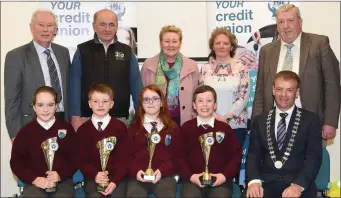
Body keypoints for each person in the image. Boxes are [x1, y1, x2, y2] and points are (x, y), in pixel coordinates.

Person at [252, 4, 340, 142]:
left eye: (290, 21)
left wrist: (330, 121)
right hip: (274, 125)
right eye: (281, 22)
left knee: (310, 163)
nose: (285, 26)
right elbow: (260, 92)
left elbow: (332, 85)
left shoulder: (319, 44)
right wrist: (256, 124)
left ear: (300, 22)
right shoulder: (266, 51)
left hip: (311, 124)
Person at [243, 71, 322, 198]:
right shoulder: (260, 120)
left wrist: (298, 185)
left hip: (298, 185)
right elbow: (254, 155)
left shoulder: (311, 120)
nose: (283, 95)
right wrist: (253, 181)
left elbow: (313, 158)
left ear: (297, 92)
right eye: (279, 89)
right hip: (265, 183)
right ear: (273, 90)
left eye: (289, 90)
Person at [68, 9, 143, 130]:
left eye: (111, 24)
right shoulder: (82, 51)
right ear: (94, 27)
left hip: (119, 118)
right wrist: (75, 116)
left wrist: (141, 116)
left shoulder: (127, 52)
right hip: (87, 118)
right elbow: (74, 85)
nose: (107, 29)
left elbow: (136, 86)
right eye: (102, 24)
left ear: (116, 26)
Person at [5, 9, 70, 142]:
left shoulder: (63, 52)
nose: (45, 30)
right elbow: (11, 99)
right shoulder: (16, 56)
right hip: (31, 122)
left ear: (55, 29)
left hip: (62, 120)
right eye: (41, 25)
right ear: (31, 27)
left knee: (62, 162)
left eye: (50, 25)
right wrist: (14, 133)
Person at [175, 85, 242, 198]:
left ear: (215, 105)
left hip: (220, 181)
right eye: (200, 101)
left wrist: (224, 176)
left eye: (209, 101)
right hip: (193, 181)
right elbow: (178, 156)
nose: (205, 105)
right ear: (194, 105)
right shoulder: (186, 128)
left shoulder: (225, 129)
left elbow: (236, 155)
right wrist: (190, 176)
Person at [10, 86, 76, 197]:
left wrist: (61, 174)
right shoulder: (25, 132)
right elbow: (16, 163)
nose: (45, 110)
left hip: (63, 183)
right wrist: (34, 179)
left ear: (56, 106)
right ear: (34, 107)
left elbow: (76, 158)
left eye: (50, 105)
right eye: (40, 105)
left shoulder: (67, 129)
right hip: (34, 184)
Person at [77, 83, 129, 197]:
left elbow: (124, 159)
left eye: (105, 101)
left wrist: (115, 181)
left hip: (117, 178)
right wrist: (95, 175)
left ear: (112, 104)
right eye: (96, 101)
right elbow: (81, 160)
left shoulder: (120, 127)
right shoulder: (82, 130)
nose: (100, 105)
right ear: (90, 104)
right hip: (93, 178)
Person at [141, 25, 200, 127]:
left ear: (180, 43)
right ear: (161, 43)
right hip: (155, 121)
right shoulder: (148, 65)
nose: (171, 45)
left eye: (174, 41)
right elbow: (142, 95)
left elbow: (196, 96)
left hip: (183, 122)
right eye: (167, 41)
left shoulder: (192, 66)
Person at [126, 84, 179, 197]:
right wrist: (136, 171)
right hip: (138, 177)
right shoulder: (133, 128)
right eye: (146, 99)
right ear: (141, 104)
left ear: (161, 103)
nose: (151, 102)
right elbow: (126, 156)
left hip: (165, 176)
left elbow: (178, 156)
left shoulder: (172, 128)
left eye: (155, 99)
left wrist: (162, 171)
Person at [201, 27, 251, 147]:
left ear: (232, 47)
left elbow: (243, 97)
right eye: (217, 43)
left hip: (235, 126)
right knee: (211, 163)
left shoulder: (241, 67)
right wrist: (215, 117)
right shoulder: (205, 69)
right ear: (212, 47)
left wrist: (225, 118)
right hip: (210, 123)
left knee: (232, 164)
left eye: (225, 43)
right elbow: (201, 96)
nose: (221, 46)